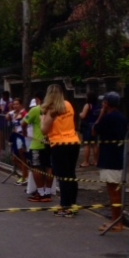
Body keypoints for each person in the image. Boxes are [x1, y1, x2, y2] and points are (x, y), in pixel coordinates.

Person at [40, 84, 81, 218]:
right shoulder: (68, 105)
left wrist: (42, 118)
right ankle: (72, 204)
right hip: (73, 141)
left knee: (63, 176)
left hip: (59, 144)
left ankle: (65, 206)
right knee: (71, 174)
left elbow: (44, 130)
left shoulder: (51, 110)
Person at [93, 92, 128, 232]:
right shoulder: (122, 117)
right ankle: (117, 220)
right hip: (117, 156)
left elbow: (95, 130)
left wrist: (101, 114)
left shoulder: (107, 118)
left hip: (110, 158)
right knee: (115, 191)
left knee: (113, 191)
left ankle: (117, 221)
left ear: (106, 104)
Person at [22, 90, 53, 203]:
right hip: (51, 143)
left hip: (38, 143)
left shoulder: (35, 109)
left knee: (36, 167)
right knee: (49, 167)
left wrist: (25, 132)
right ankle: (48, 192)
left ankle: (40, 193)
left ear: (38, 99)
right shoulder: (53, 109)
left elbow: (24, 123)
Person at [6, 98, 28, 185]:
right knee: (15, 158)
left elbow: (27, 122)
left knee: (22, 157)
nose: (15, 106)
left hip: (21, 137)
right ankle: (25, 174)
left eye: (17, 104)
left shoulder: (24, 113)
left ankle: (25, 176)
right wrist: (10, 111)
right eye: (14, 104)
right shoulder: (13, 113)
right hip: (15, 137)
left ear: (21, 105)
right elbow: (7, 117)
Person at [78, 91, 100, 167]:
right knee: (95, 144)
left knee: (86, 144)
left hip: (88, 126)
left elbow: (83, 116)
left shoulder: (88, 105)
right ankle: (96, 161)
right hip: (95, 125)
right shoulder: (98, 106)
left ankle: (86, 161)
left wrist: (80, 114)